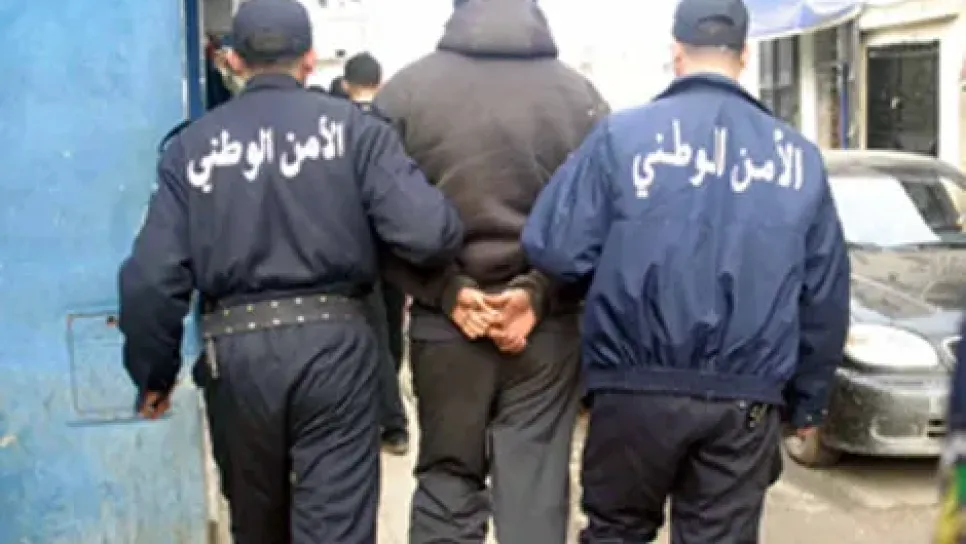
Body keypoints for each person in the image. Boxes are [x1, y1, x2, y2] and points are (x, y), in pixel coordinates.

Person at [117, 0, 464, 542]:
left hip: (236, 358)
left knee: (257, 527)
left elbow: (150, 280)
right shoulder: (357, 133)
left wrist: (154, 375)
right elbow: (428, 233)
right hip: (336, 351)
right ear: (310, 59)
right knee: (336, 526)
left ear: (233, 60)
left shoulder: (190, 148)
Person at [520, 0, 850, 542]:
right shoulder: (798, 158)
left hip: (632, 390)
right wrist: (806, 401)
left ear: (676, 51)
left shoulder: (620, 138)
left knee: (616, 532)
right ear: (745, 54)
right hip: (744, 399)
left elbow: (555, 247)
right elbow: (825, 296)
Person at [374, 0, 608, 542]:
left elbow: (374, 218)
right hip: (544, 333)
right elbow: (603, 220)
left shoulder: (405, 95)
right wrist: (539, 293)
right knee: (534, 494)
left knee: (448, 483)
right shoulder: (581, 99)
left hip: (445, 328)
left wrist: (448, 291)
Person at [339, 50, 412, 454]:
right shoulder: (393, 127)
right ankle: (393, 418)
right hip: (392, 245)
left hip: (353, 246)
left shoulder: (334, 128)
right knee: (391, 327)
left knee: (371, 330)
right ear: (379, 82)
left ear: (345, 85)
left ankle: (385, 417)